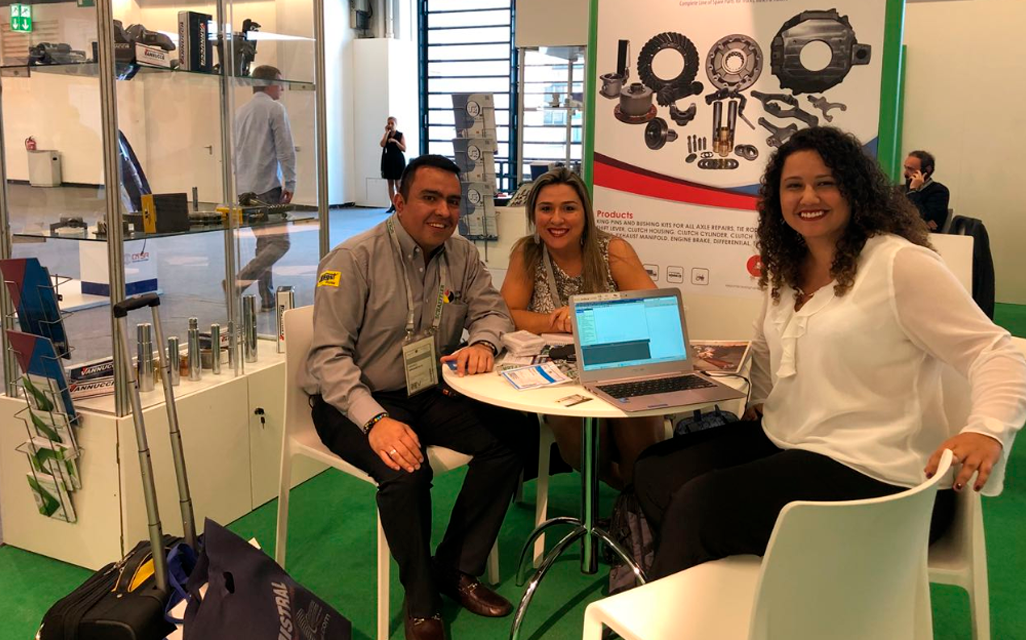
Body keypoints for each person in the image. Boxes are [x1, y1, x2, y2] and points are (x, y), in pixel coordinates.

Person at [633, 126, 1026, 581]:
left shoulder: (898, 264)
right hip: (792, 440)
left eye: (825, 183)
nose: (808, 197)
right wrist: (758, 399)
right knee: (655, 471)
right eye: (793, 186)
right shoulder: (788, 265)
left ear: (855, 189)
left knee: (700, 505)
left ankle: (696, 602)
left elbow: (995, 350)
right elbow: (764, 346)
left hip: (882, 474)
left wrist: (986, 430)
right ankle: (726, 588)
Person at [305, 155, 525, 640]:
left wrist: (483, 343)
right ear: (399, 200)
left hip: (425, 390)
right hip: (352, 400)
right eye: (430, 198)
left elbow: (494, 312)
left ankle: (455, 567)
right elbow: (329, 359)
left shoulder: (462, 255)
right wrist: (375, 421)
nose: (443, 211)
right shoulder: (353, 259)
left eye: (452, 201)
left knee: (513, 435)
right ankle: (422, 600)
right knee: (407, 472)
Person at [501, 168, 664, 489]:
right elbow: (508, 314)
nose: (556, 219)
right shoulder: (527, 252)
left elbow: (654, 310)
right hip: (557, 374)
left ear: (585, 213)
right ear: (533, 214)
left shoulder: (612, 250)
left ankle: (638, 498)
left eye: (569, 208)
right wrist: (554, 321)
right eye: (546, 208)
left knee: (636, 421)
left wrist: (587, 318)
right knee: (581, 432)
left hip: (618, 364)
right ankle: (626, 492)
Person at [233, 64, 296, 310]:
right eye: (280, 83)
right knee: (280, 243)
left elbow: (234, 153)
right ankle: (238, 282)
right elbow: (285, 150)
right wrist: (290, 182)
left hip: (244, 189)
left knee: (264, 243)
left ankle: (267, 299)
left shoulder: (240, 112)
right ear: (269, 84)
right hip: (267, 188)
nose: (282, 88)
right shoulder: (274, 109)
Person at [904, 150, 950, 231]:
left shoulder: (939, 191)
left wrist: (913, 191)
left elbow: (922, 216)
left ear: (927, 170)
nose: (905, 173)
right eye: (905, 168)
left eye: (910, 169)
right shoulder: (901, 189)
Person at [381, 116, 407, 213]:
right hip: (389, 160)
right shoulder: (386, 134)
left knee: (398, 183)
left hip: (398, 159)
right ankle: (393, 204)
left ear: (396, 124)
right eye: (388, 123)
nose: (390, 125)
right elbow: (382, 144)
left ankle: (400, 203)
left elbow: (404, 149)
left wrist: (395, 141)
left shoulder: (400, 135)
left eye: (392, 123)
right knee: (390, 183)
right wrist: (386, 133)